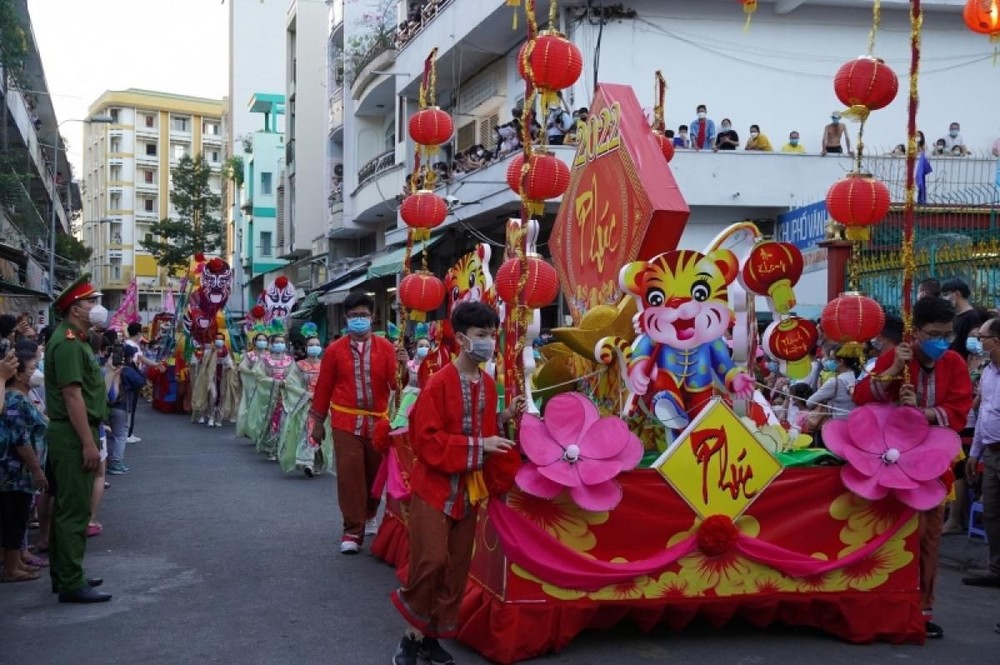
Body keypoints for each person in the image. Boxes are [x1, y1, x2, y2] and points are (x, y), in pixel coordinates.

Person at [390, 301, 525, 665]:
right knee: (431, 561)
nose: (489, 342)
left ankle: (430, 639)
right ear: (462, 339)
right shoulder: (439, 383)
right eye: (482, 336)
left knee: (455, 569)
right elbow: (427, 440)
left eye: (493, 335)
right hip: (434, 488)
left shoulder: (488, 384)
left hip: (469, 489)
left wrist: (504, 417)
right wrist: (481, 444)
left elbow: (479, 426)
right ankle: (409, 638)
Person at [853, 296, 973, 639]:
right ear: (916, 331)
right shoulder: (898, 357)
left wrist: (923, 413)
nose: (942, 341)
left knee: (927, 537)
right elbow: (862, 396)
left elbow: (960, 410)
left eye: (947, 334)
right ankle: (882, 604)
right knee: (889, 535)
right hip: (890, 465)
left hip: (933, 465)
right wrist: (890, 373)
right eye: (935, 333)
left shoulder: (954, 363)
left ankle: (920, 610)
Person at [309, 293, 408, 554]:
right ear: (346, 319)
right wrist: (317, 423)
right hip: (344, 420)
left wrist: (403, 367)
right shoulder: (334, 351)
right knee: (350, 475)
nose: (359, 320)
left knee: (376, 476)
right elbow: (323, 388)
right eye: (354, 316)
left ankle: (370, 513)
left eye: (363, 315)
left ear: (373, 317)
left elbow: (397, 387)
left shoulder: (387, 348)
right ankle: (352, 531)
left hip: (378, 422)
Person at [44, 274, 112, 603]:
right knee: (75, 511)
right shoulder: (69, 341)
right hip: (73, 434)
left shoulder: (77, 338)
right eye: (90, 302)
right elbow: (72, 396)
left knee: (67, 509)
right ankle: (71, 581)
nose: (97, 308)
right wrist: (88, 443)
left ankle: (67, 573)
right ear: (75, 309)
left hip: (72, 432)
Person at [0, 345, 44, 582]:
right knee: (13, 519)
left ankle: (15, 562)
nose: (36, 372)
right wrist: (37, 470)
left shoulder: (22, 397)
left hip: (18, 471)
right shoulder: (15, 400)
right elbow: (21, 440)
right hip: (14, 471)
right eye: (32, 368)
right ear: (17, 374)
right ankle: (11, 567)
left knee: (18, 518)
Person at [963, 317, 1000, 588]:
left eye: (982, 337)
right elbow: (983, 412)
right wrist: (975, 452)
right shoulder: (988, 373)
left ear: (995, 342)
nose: (979, 341)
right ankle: (996, 569)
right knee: (992, 512)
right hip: (990, 450)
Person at [278, 325, 332, 478]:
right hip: (306, 403)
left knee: (322, 433)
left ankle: (316, 459)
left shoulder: (326, 365)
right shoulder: (299, 365)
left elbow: (333, 383)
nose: (314, 347)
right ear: (306, 347)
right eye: (311, 345)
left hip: (323, 404)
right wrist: (306, 394)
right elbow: (290, 383)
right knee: (307, 430)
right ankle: (307, 461)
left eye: (316, 345)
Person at [254, 332, 294, 460]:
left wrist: (286, 383)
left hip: (286, 396)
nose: (280, 345)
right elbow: (259, 375)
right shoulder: (265, 360)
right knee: (271, 420)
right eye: (277, 342)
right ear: (271, 344)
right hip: (270, 396)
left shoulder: (290, 360)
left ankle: (281, 447)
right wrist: (274, 382)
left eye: (282, 342)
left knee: (283, 420)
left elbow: (295, 377)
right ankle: (271, 447)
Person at [123, 322, 162, 444]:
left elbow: (142, 359)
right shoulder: (130, 345)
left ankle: (130, 432)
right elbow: (140, 359)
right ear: (139, 332)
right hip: (130, 376)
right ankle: (126, 433)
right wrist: (156, 364)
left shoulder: (135, 344)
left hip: (133, 375)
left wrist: (156, 364)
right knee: (129, 406)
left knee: (132, 406)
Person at [191, 331, 237, 427]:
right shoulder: (209, 351)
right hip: (210, 377)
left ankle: (218, 417)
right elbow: (202, 362)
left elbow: (230, 363)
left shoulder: (226, 351)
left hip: (222, 377)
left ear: (224, 341)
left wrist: (229, 367)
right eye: (217, 339)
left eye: (221, 339)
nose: (219, 341)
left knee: (222, 396)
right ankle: (209, 416)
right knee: (213, 395)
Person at [805, 345, 859, 419]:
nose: (829, 362)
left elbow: (810, 402)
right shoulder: (858, 377)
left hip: (839, 425)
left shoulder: (834, 382)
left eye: (832, 359)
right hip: (856, 421)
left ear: (841, 362)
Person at [941, 277, 985, 360]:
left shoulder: (972, 317)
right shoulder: (953, 315)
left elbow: (974, 351)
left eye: (946, 294)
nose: (944, 298)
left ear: (957, 294)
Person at [236, 331, 269, 438]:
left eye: (264, 340)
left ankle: (262, 430)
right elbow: (242, 367)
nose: (262, 342)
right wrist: (252, 372)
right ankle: (249, 429)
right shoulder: (250, 355)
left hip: (265, 386)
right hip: (252, 386)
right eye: (259, 340)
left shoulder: (270, 356)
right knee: (250, 407)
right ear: (254, 342)